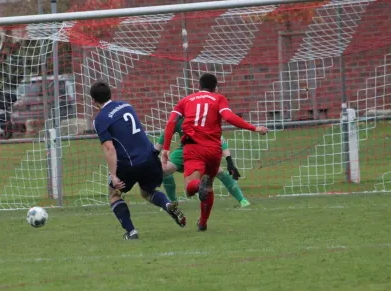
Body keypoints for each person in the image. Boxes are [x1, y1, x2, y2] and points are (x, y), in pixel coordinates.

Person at [161, 73, 268, 231]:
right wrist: (254, 128)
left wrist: (165, 148)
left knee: (190, 188)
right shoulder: (219, 98)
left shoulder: (185, 100)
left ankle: (198, 186)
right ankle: (203, 222)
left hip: (193, 147)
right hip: (213, 149)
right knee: (209, 185)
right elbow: (229, 117)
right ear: (215, 88)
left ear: (198, 86)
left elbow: (171, 122)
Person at [90, 81, 186, 239]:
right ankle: (167, 204)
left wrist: (113, 175)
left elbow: (109, 148)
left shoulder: (100, 119)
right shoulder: (126, 106)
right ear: (110, 94)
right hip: (149, 157)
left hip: (129, 163)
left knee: (114, 193)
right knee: (147, 192)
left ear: (94, 101)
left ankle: (131, 231)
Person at [154, 118, 251, 207]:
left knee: (220, 172)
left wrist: (229, 161)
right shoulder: (178, 118)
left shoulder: (205, 117)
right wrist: (152, 156)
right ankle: (173, 201)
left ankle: (241, 199)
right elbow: (164, 136)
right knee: (163, 170)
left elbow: (220, 140)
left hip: (203, 150)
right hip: (184, 151)